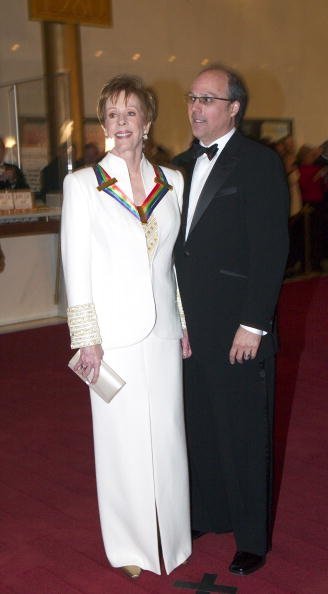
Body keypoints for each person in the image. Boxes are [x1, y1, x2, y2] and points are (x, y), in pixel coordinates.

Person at [61, 74, 191, 579]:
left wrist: (182, 319)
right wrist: (85, 336)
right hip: (111, 337)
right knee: (120, 442)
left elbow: (174, 262)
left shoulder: (173, 182)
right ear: (102, 123)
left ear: (147, 121)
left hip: (162, 330)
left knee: (168, 434)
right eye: (112, 114)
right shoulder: (83, 185)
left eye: (130, 113)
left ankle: (173, 538)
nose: (121, 123)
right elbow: (77, 267)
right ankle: (131, 548)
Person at [174, 65, 289, 576]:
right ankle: (209, 513)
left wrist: (254, 323)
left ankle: (251, 537)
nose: (196, 107)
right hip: (190, 327)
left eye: (208, 99)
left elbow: (271, 250)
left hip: (239, 326)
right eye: (192, 97)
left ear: (234, 107)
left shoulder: (259, 163)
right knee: (200, 424)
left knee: (244, 433)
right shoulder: (175, 167)